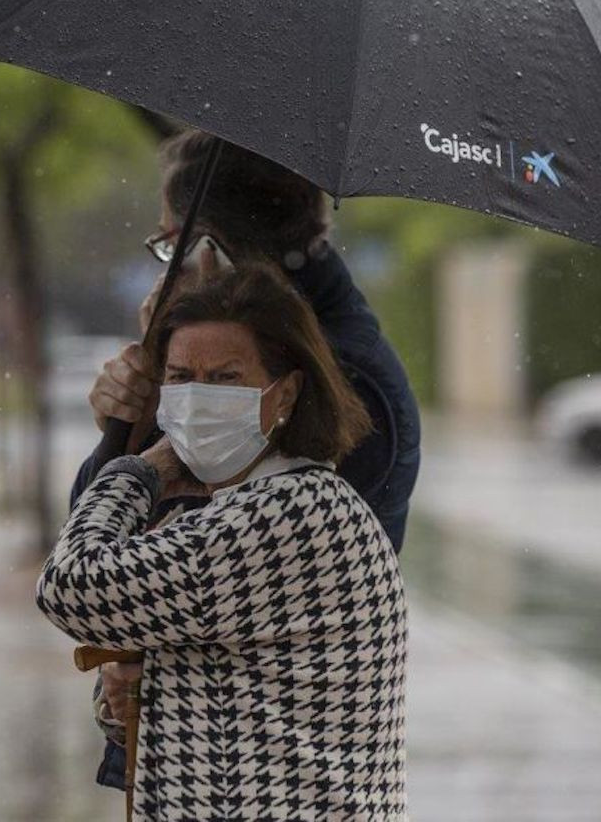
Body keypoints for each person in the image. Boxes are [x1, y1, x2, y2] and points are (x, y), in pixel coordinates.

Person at [71, 129, 422, 791]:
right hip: (210, 764)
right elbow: (116, 565)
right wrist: (126, 426)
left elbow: (106, 582)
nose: (165, 262)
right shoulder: (232, 351)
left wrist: (144, 448)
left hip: (271, 773)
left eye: (169, 242)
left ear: (208, 247)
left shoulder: (337, 382)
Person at [37, 265, 409, 820]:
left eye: (225, 377)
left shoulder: (288, 516)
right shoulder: (237, 511)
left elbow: (71, 586)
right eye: (181, 376)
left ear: (285, 392)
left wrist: (140, 469)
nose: (197, 398)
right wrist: (134, 691)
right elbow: (213, 671)